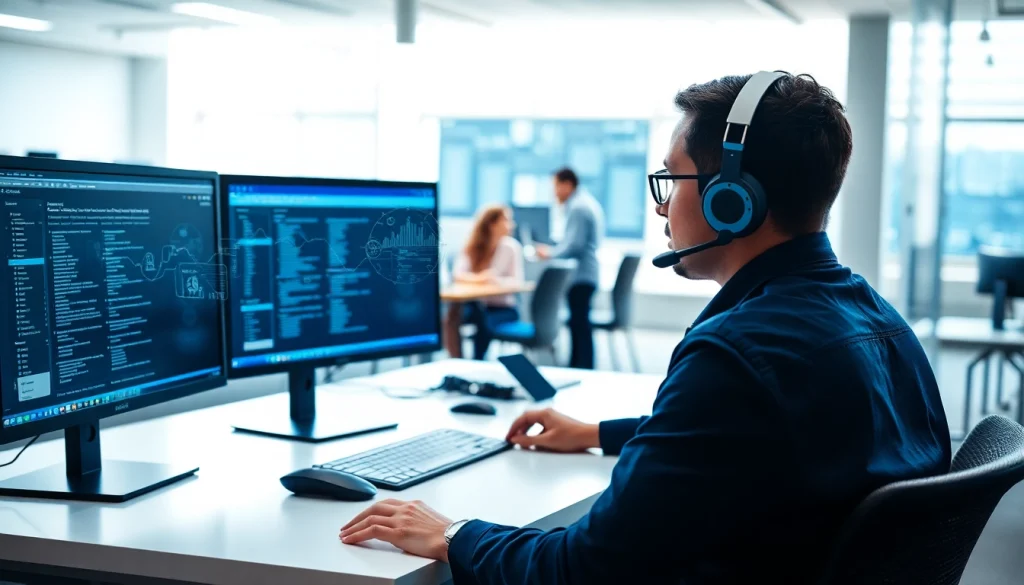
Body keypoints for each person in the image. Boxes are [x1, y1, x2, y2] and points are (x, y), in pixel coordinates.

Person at [338, 72, 952, 584]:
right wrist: (594, 433)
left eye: (671, 179)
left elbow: (583, 569)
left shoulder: (735, 353)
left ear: (732, 199)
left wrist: (452, 533)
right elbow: (745, 433)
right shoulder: (878, 319)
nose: (660, 204)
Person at [534, 167, 603, 369]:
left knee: (579, 325)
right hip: (586, 273)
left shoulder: (578, 207)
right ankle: (579, 365)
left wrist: (550, 253)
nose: (554, 192)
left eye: (555, 186)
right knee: (579, 324)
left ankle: (582, 367)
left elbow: (575, 245)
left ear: (567, 184)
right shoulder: (585, 202)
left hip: (581, 276)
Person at [445, 204, 525, 360]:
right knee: (451, 318)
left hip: (503, 310)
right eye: (506, 220)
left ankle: (477, 361)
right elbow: (458, 275)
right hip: (475, 305)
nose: (511, 225)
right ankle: (458, 360)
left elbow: (516, 282)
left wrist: (492, 280)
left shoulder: (511, 247)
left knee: (482, 319)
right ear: (491, 224)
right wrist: (483, 278)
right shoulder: (473, 246)